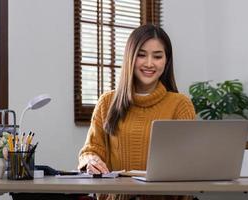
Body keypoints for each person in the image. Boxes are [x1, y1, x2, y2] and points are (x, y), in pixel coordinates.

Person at [78, 24, 196, 200]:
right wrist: (90, 160)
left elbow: (191, 160)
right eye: (141, 55)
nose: (149, 63)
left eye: (157, 56)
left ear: (166, 61)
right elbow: (92, 149)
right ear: (130, 58)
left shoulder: (180, 105)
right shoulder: (107, 102)